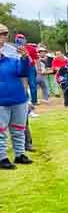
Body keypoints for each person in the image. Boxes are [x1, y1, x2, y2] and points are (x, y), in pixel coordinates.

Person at [0, 23, 32, 169]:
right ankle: (2, 157)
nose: (4, 36)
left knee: (19, 129)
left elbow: (23, 72)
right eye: (1, 33)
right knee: (1, 131)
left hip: (18, 97)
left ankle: (20, 154)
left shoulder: (12, 54)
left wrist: (25, 58)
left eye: (5, 33)